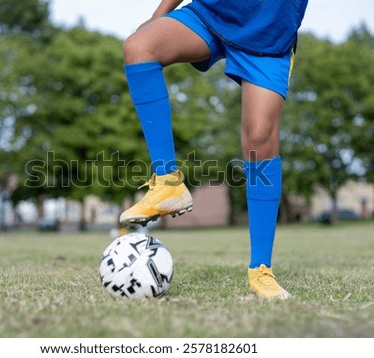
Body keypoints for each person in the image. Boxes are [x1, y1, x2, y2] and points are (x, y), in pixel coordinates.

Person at [119, 0, 309, 300]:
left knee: (259, 141)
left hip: (269, 32)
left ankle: (261, 269)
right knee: (139, 47)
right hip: (211, 12)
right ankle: (168, 184)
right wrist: (157, 17)